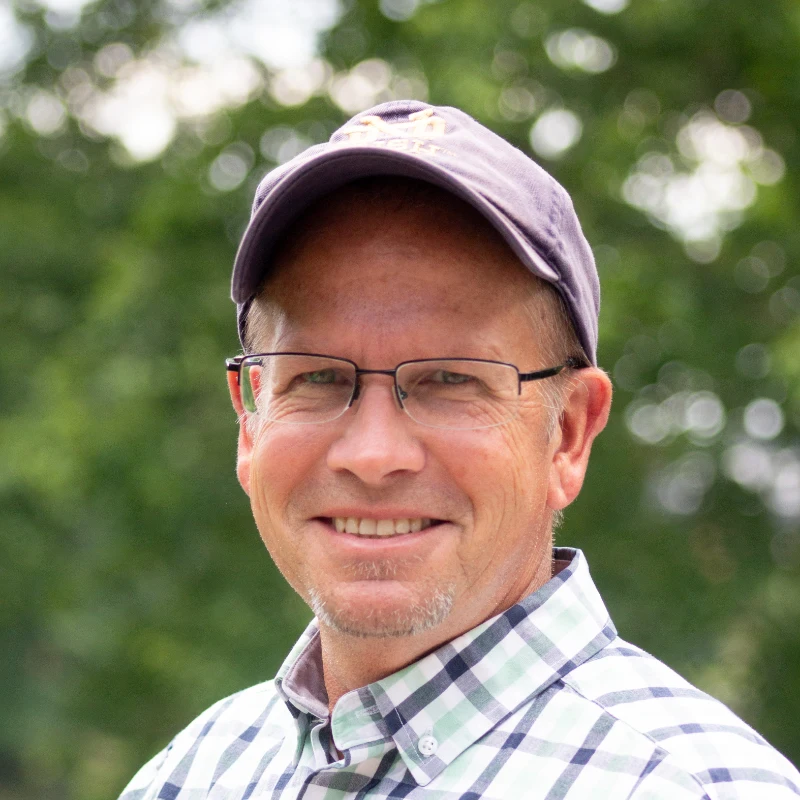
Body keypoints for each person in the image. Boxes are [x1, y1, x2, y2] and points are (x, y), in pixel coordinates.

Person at [119, 101, 800, 799]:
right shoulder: (191, 776)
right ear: (251, 421)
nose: (373, 454)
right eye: (318, 377)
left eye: (449, 380)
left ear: (567, 434)